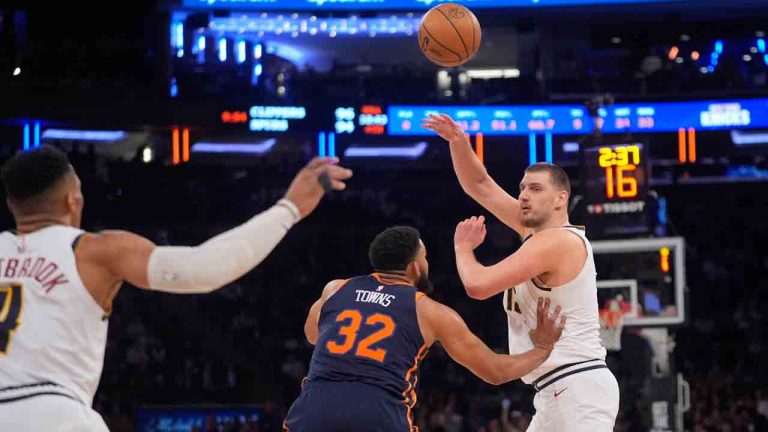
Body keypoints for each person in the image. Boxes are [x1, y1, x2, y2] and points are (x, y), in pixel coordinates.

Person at [0, 145, 352, 431]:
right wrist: (288, 209)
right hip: (55, 415)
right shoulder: (94, 250)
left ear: (11, 205)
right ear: (72, 200)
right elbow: (205, 268)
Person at [423, 113, 619, 431]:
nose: (524, 195)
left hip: (578, 387)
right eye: (522, 187)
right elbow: (481, 186)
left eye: (535, 189)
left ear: (560, 199)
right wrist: (459, 143)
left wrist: (463, 249)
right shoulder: (536, 233)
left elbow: (478, 285)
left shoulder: (556, 242)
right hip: (555, 390)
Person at [283, 226, 565, 431]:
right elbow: (494, 371)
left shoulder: (336, 288)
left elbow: (312, 335)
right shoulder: (430, 311)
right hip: (377, 414)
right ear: (415, 268)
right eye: (425, 258)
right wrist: (542, 348)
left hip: (312, 411)